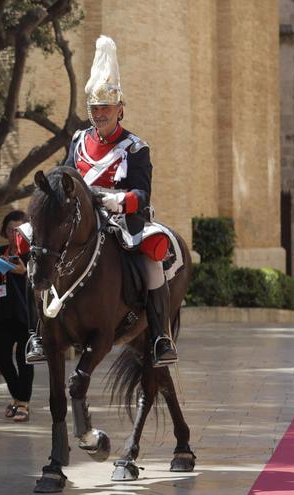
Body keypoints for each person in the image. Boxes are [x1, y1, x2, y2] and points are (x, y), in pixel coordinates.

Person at [26, 35, 178, 367]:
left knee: (152, 261)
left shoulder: (136, 147)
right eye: (95, 108)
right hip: (79, 218)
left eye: (106, 108)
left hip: (123, 220)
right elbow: (66, 174)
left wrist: (118, 201)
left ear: (120, 109)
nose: (100, 114)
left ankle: (159, 337)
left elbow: (143, 193)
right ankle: (38, 332)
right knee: (34, 246)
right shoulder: (79, 140)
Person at [0, 210, 34, 422]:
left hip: (27, 316)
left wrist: (25, 272)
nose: (14, 235)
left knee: (24, 360)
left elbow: (44, 281)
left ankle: (22, 403)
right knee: (1, 358)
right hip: (4, 316)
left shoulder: (32, 254)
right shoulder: (1, 251)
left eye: (19, 230)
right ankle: (18, 398)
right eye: (11, 230)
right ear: (5, 231)